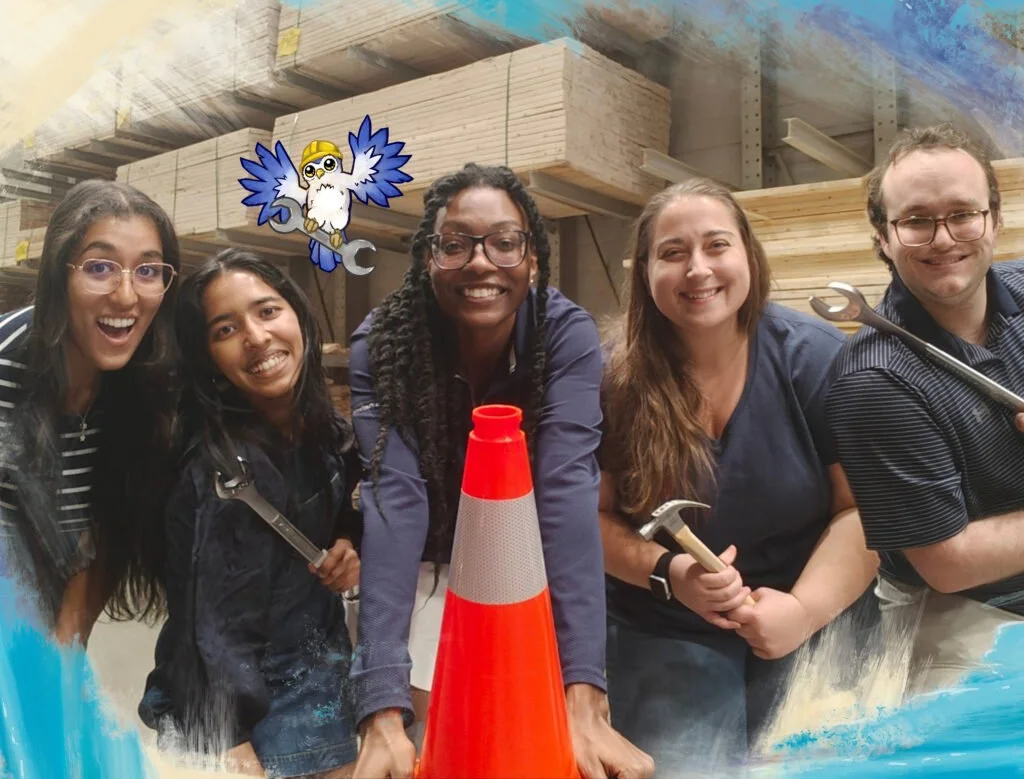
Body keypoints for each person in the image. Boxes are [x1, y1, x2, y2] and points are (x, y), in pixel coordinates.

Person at [347, 162, 654, 779]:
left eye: (505, 242)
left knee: (533, 733)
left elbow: (566, 492)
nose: (481, 262)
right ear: (428, 257)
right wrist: (380, 708)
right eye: (455, 244)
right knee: (436, 733)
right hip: (427, 558)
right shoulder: (381, 343)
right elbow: (394, 502)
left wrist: (582, 694)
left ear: (533, 259)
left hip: (529, 556)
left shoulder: (564, 336)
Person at [598, 178, 880, 775]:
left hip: (812, 609)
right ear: (645, 273)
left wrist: (802, 611)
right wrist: (668, 572)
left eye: (716, 245)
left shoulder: (815, 357)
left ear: (748, 255)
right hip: (665, 619)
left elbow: (861, 511)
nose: (697, 269)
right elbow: (585, 519)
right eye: (673, 253)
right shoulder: (613, 379)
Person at [138, 249, 362, 778]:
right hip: (248, 712)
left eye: (267, 311)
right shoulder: (223, 472)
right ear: (207, 358)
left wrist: (349, 546)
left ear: (298, 315)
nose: (257, 337)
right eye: (225, 329)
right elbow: (206, 626)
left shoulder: (322, 425)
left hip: (318, 676)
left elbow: (349, 504)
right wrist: (229, 743)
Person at [825, 124, 1024, 699]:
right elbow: (949, 562)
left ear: (994, 219)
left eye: (963, 213)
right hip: (968, 615)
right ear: (884, 237)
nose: (943, 238)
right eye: (916, 221)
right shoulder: (874, 380)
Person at [0, 179, 180, 645]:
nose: (126, 296)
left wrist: (64, 654)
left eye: (148, 270)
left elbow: (110, 524)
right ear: (60, 274)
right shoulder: (7, 362)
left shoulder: (149, 381)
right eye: (100, 267)